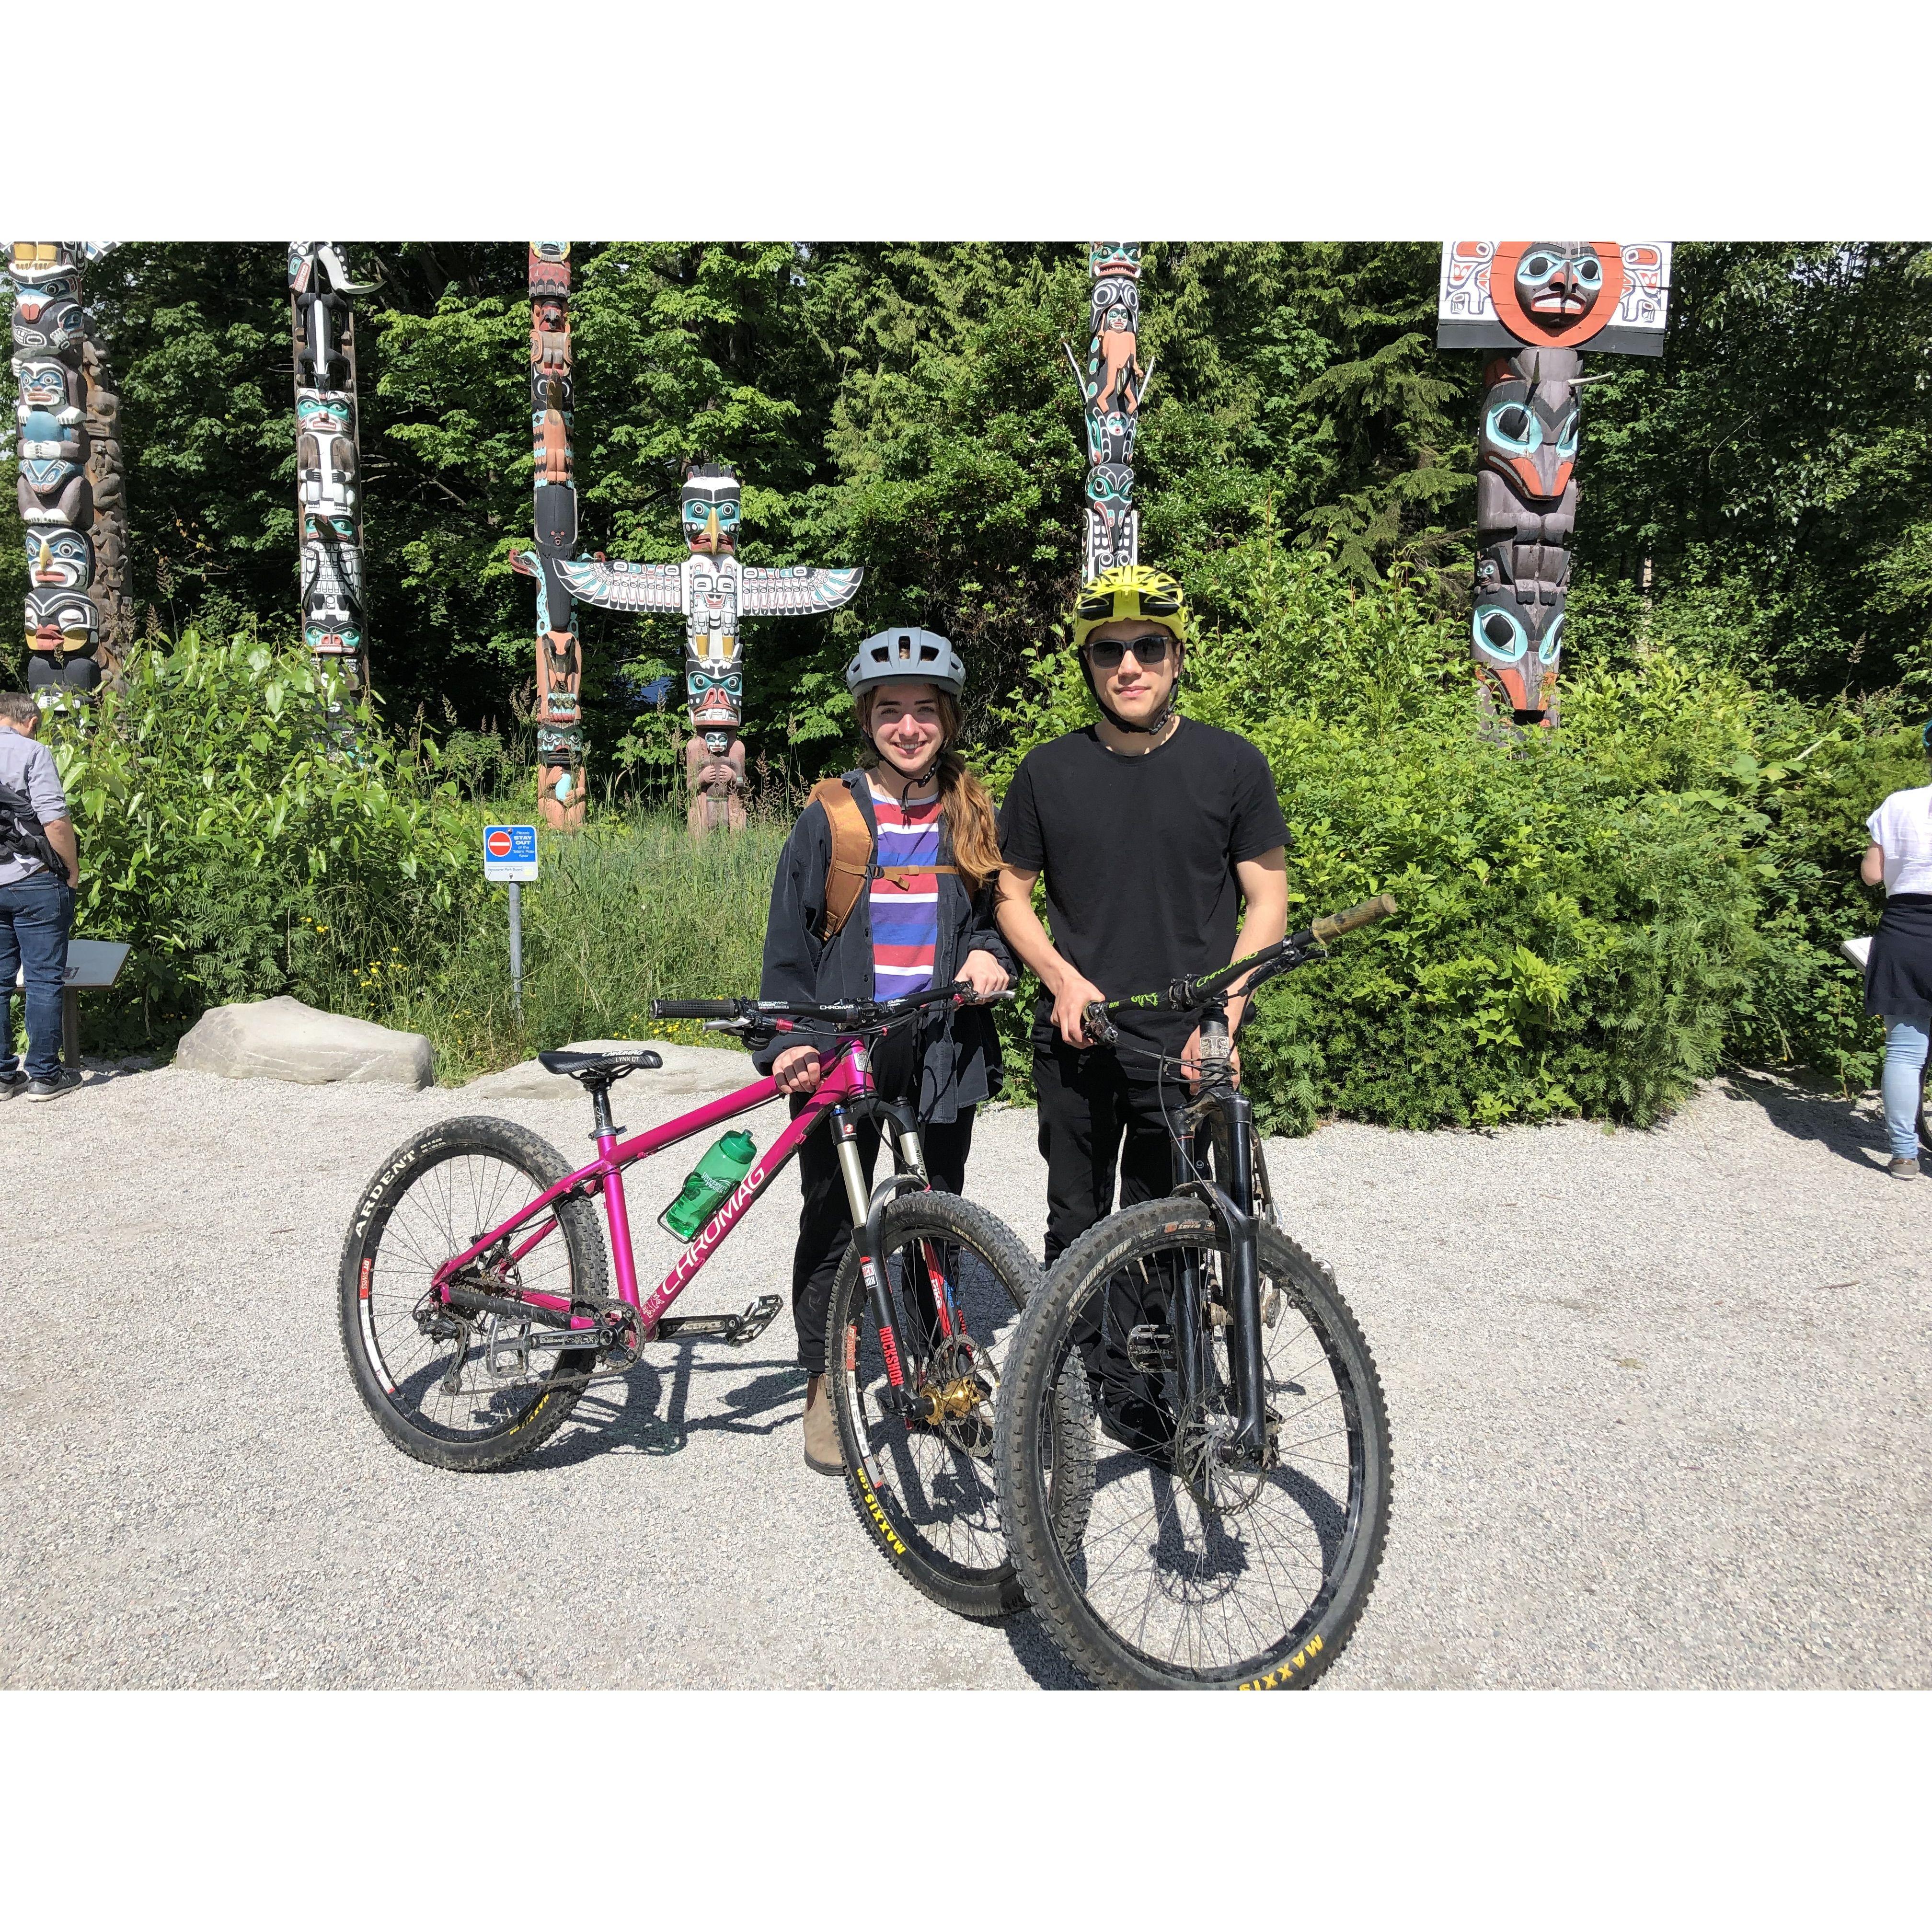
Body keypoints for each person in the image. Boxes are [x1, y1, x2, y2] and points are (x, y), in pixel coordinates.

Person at [995, 565, 1289, 1450]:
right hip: (1081, 1036)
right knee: (1076, 1219)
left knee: (1166, 1221)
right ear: (1088, 664)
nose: (1129, 665)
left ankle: (1152, 1379)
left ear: (1176, 658)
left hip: (1184, 1041)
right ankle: (1078, 1379)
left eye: (1147, 649)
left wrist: (1223, 1014)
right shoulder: (1047, 771)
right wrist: (1060, 977)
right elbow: (1010, 895)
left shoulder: (1230, 763)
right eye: (1109, 651)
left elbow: (1266, 898)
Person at [754, 629, 1013, 1474]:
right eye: (892, 710)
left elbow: (993, 919)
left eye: (925, 710)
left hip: (939, 1043)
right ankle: (828, 1377)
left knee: (937, 1209)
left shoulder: (972, 809)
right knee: (835, 1217)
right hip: (843, 1049)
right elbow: (786, 945)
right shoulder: (831, 815)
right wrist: (788, 1036)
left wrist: (991, 954)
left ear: (948, 719)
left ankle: (942, 1365)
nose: (909, 726)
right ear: (868, 717)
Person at [0, 692, 81, 1102]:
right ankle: (45, 1076)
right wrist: (71, 870)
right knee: (43, 979)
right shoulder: (33, 752)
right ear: (30, 721)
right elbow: (54, 820)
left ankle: (2, 1076)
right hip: (35, 878)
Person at [1859, 729, 1932, 1177]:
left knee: (1904, 1050)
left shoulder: (1898, 804)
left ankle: (1904, 1154)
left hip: (1904, 930)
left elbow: (1872, 875)